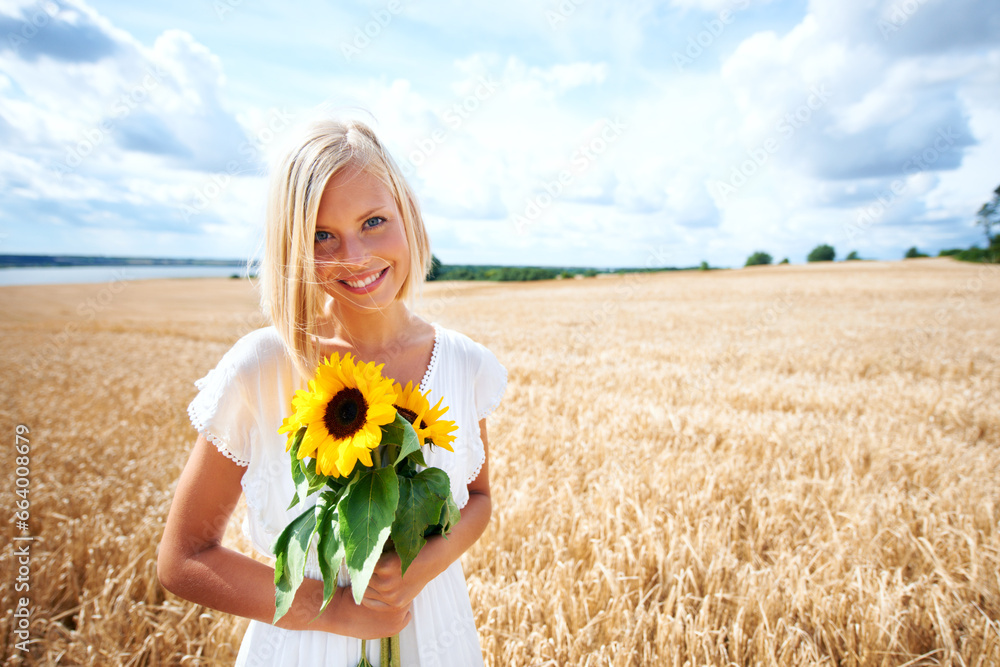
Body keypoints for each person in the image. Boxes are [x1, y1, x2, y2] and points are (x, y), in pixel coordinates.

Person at [157, 117, 506, 666]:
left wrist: (425, 563)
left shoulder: (463, 363)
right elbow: (184, 558)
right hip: (306, 645)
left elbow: (479, 500)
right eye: (322, 235)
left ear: (408, 216)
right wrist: (338, 610)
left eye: (373, 221)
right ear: (292, 246)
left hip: (434, 633)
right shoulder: (266, 366)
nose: (356, 255)